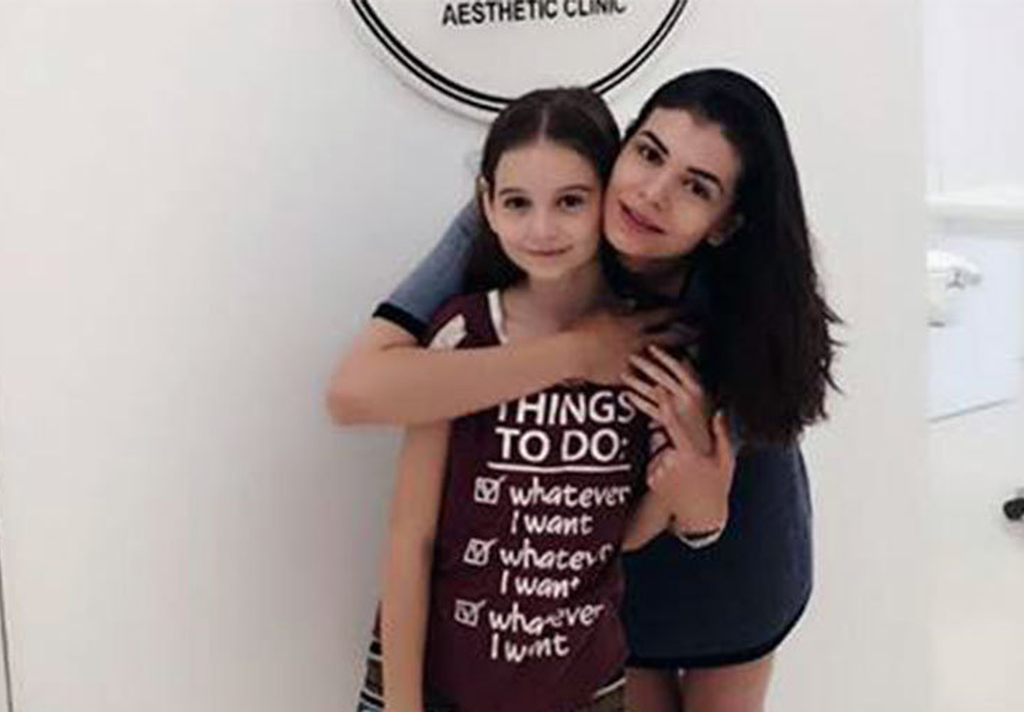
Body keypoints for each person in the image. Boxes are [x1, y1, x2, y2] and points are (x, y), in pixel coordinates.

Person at [334, 69, 839, 712]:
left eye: (696, 187)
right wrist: (578, 353)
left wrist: (704, 507)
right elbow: (357, 391)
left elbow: (702, 497)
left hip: (726, 546)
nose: (652, 194)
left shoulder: (745, 305)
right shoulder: (547, 195)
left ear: (726, 224)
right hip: (581, 572)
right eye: (649, 153)